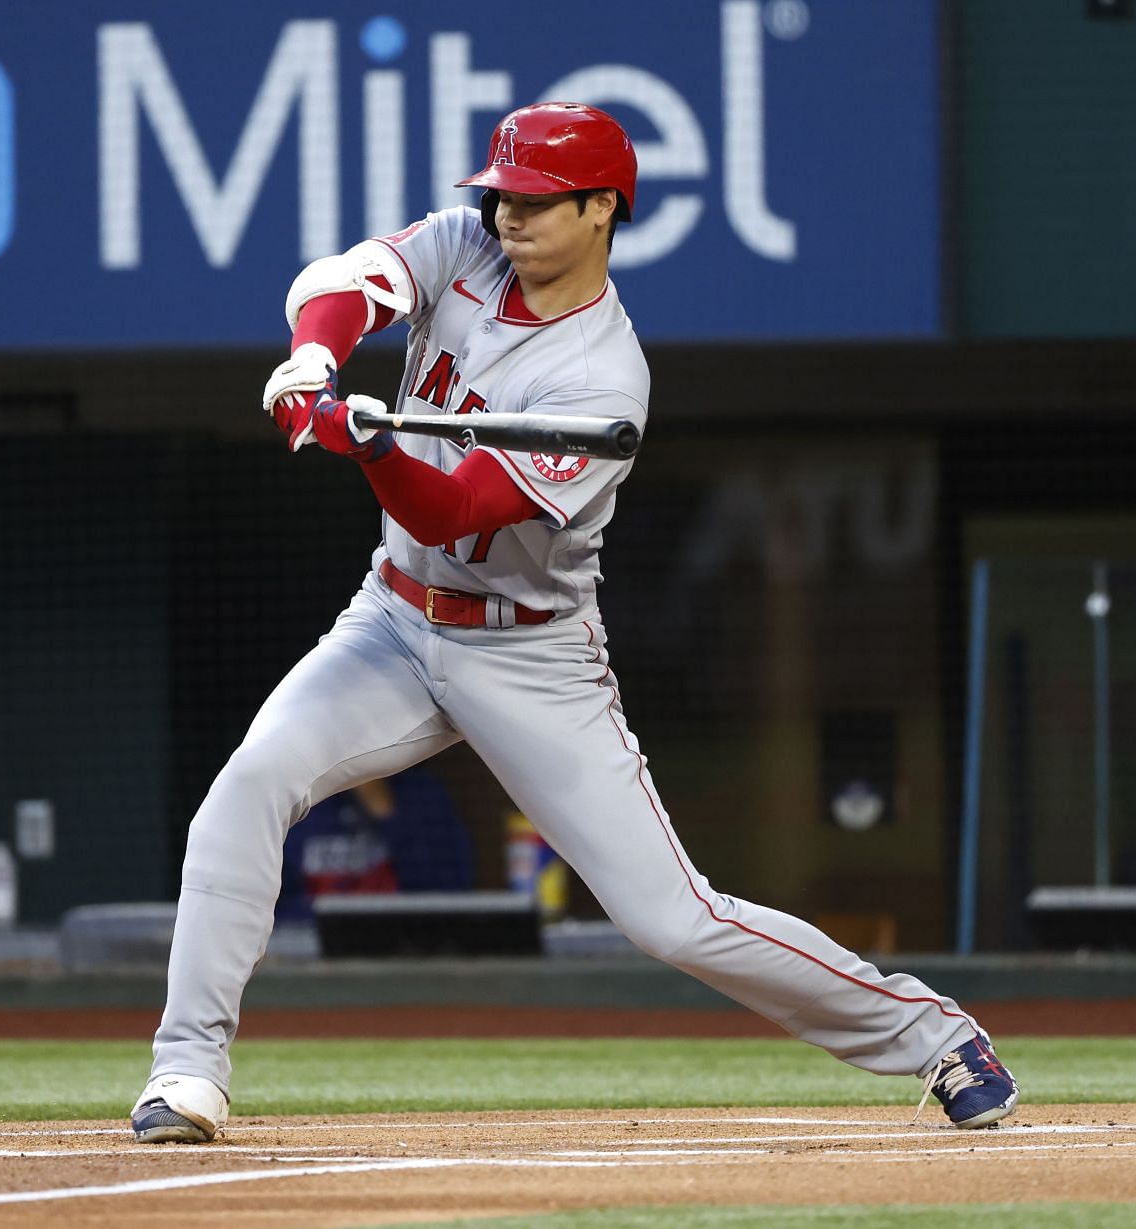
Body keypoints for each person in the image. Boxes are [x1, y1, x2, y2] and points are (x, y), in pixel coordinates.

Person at [130, 102, 1018, 1144]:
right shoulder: (468, 244)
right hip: (393, 618)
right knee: (247, 786)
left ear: (603, 209)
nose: (510, 213)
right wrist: (320, 366)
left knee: (671, 917)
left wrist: (364, 446)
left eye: (540, 199)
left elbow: (458, 512)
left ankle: (935, 1032)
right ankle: (185, 1071)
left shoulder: (603, 379)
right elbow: (341, 283)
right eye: (502, 191)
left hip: (530, 649)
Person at [275, 770, 474, 922]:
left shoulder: (421, 793)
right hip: (310, 952)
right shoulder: (295, 800)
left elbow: (449, 896)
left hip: (402, 948)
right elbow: (274, 904)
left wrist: (385, 811)